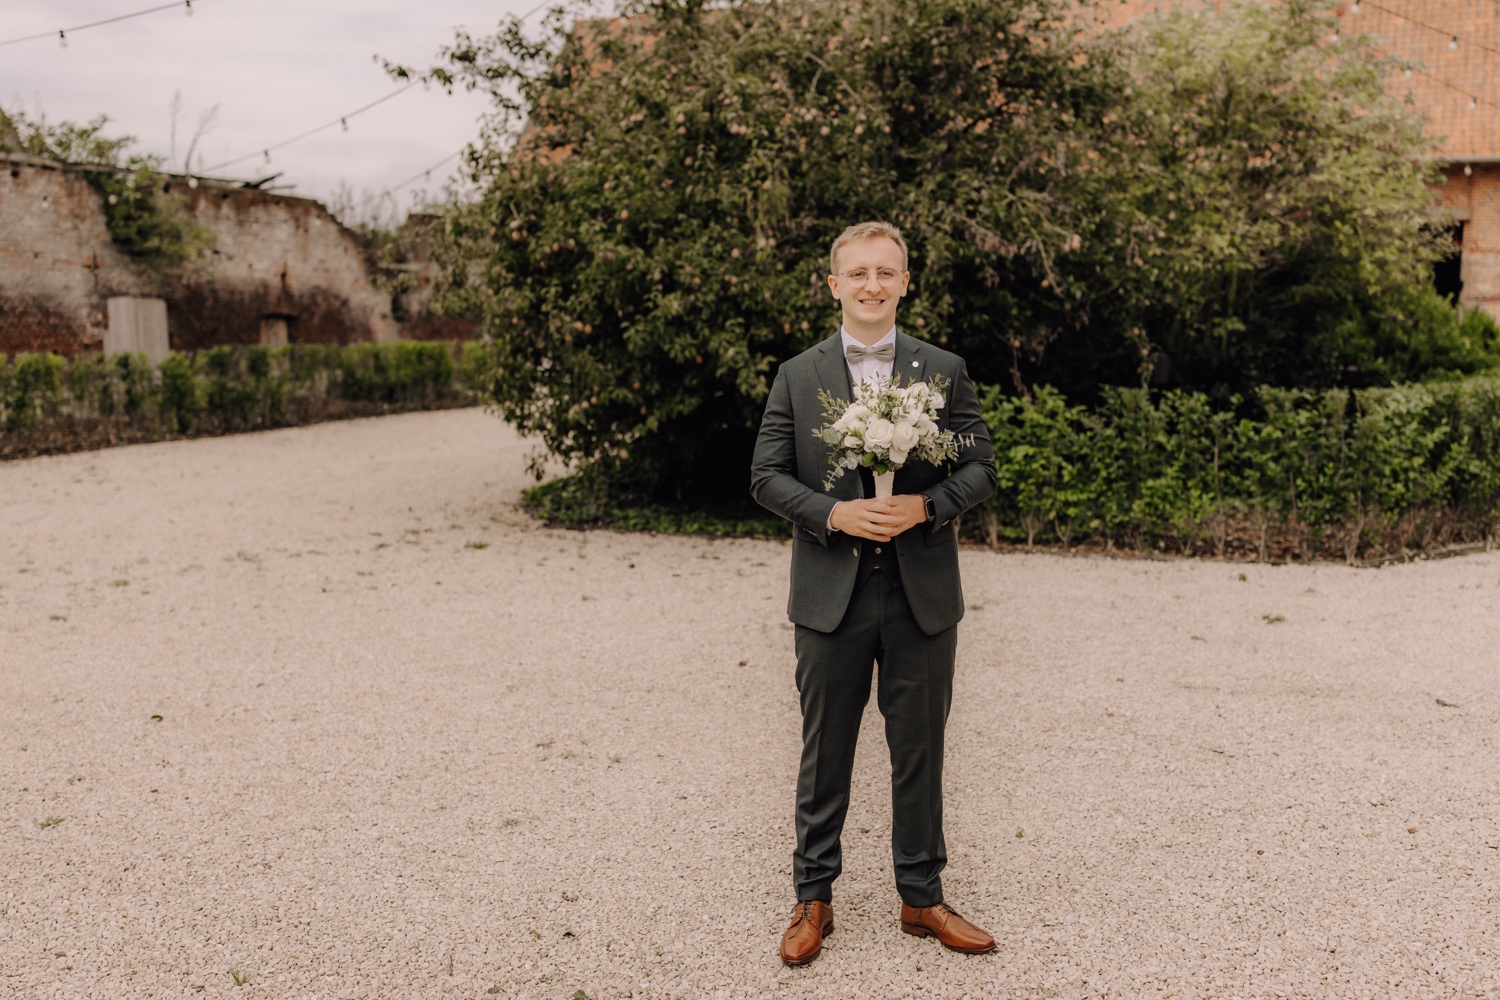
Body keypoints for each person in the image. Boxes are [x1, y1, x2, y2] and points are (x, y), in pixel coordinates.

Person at [750, 221, 999, 966]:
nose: (871, 285)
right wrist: (833, 513)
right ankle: (812, 897)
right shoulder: (798, 374)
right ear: (834, 284)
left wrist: (927, 507)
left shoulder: (943, 367)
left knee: (920, 748)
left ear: (904, 281)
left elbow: (982, 466)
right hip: (831, 593)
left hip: (922, 591)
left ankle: (922, 897)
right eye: (857, 273)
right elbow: (765, 476)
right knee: (825, 749)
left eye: (885, 272)